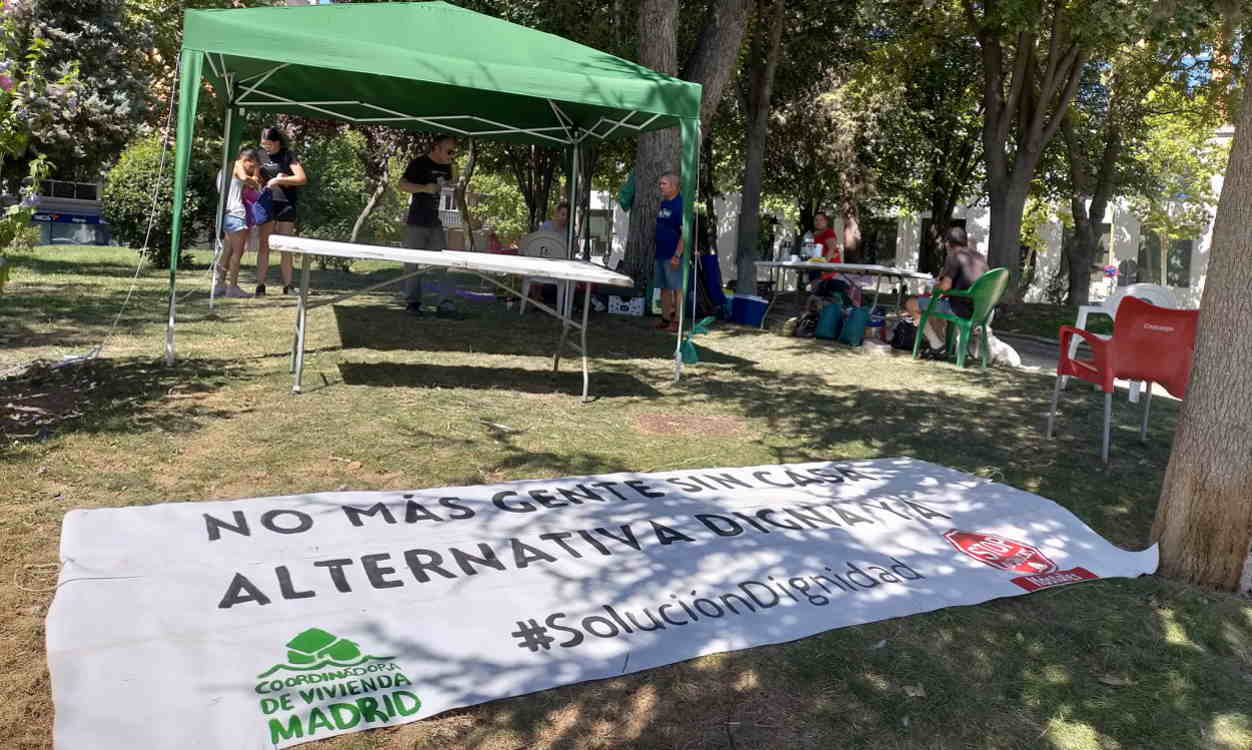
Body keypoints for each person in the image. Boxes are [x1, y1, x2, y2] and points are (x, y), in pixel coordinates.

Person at [904, 226, 988, 357]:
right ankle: (946, 345)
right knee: (935, 307)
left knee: (911, 303)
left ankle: (936, 345)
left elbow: (945, 287)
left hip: (959, 309)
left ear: (948, 243)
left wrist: (935, 287)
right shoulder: (980, 258)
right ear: (965, 241)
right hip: (979, 310)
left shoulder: (954, 256)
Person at [398, 134, 457, 317]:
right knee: (412, 264)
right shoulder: (419, 163)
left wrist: (453, 187)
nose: (452, 155)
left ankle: (445, 303)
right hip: (417, 221)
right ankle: (412, 303)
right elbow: (402, 184)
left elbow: (453, 190)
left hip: (438, 222)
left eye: (454, 151)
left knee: (442, 263)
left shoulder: (450, 167)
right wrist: (424, 188)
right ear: (436, 148)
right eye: (449, 151)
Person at [253, 127, 306, 296]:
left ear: (276, 143)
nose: (265, 147)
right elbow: (256, 177)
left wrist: (280, 180)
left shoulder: (288, 155)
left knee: (286, 246)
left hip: (286, 204)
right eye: (263, 144)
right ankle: (260, 286)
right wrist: (253, 182)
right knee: (264, 246)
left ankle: (288, 286)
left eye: (268, 144)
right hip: (267, 203)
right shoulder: (259, 155)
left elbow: (302, 178)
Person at [216, 147, 261, 299]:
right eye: (252, 165)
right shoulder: (237, 165)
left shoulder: (226, 168)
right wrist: (254, 178)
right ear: (246, 160)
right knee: (237, 252)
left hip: (229, 214)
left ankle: (220, 284)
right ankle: (232, 287)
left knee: (227, 251)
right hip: (236, 214)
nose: (252, 169)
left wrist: (253, 178)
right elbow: (246, 179)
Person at [653, 172, 684, 333]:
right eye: (660, 184)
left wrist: (677, 254)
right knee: (664, 287)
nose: (661, 186)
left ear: (673, 186)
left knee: (677, 288)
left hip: (673, 255)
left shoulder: (680, 204)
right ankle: (665, 318)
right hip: (661, 253)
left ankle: (677, 321)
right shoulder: (664, 203)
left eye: (663, 184)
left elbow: (685, 234)